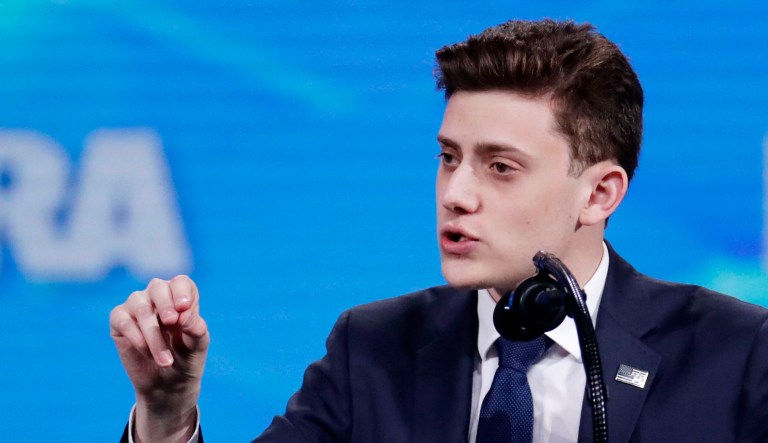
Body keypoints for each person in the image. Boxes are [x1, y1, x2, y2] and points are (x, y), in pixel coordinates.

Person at [110, 19, 768, 443]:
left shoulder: (733, 353)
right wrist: (166, 417)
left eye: (500, 167)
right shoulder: (372, 351)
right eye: (448, 158)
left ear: (599, 193)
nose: (455, 194)